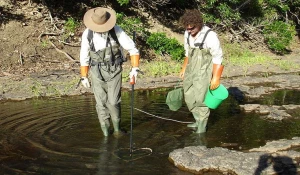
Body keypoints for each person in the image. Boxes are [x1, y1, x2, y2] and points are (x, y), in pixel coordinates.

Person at [79, 7, 140, 137]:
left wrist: (134, 69)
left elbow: (133, 49)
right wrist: (84, 76)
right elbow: (84, 56)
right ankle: (106, 133)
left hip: (114, 70)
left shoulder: (116, 30)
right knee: (101, 102)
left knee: (113, 102)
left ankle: (117, 129)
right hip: (96, 71)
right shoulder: (87, 34)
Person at [179, 9, 224, 133]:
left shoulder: (210, 36)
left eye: (192, 28)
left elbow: (218, 57)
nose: (189, 31)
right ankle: (197, 120)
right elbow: (187, 53)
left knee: (201, 98)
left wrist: (215, 78)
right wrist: (184, 68)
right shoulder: (187, 33)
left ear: (198, 24)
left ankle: (202, 127)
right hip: (190, 68)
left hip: (204, 69)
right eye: (187, 28)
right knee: (188, 96)